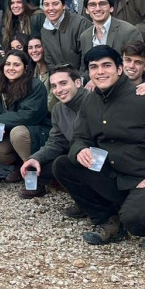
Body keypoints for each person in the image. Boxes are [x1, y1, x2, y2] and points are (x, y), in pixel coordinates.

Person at [55, 45, 145, 253]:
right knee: (64, 165)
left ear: (119, 69)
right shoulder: (90, 101)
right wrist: (80, 149)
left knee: (136, 219)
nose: (100, 72)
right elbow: (80, 137)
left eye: (106, 65)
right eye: (94, 67)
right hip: (114, 173)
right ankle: (109, 220)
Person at [0, 49, 51, 188]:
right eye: (8, 64)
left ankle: (34, 176)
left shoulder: (35, 85)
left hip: (37, 132)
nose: (11, 68)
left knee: (18, 133)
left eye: (16, 65)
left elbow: (28, 116)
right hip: (10, 132)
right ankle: (19, 166)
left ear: (25, 68)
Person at [22, 65, 89, 204]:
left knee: (62, 164)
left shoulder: (94, 102)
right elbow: (56, 141)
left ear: (78, 82)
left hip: (95, 157)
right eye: (54, 86)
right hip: (75, 155)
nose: (58, 90)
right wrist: (36, 158)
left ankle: (90, 203)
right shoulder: (58, 109)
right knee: (38, 167)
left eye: (63, 83)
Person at [78, 0, 144, 57]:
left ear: (111, 8)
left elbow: (136, 61)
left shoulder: (129, 31)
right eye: (92, 5)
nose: (98, 9)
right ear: (87, 10)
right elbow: (84, 63)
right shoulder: (85, 36)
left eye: (102, 4)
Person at [38, 0, 91, 71]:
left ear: (63, 5)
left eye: (55, 4)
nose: (50, 8)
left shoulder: (80, 23)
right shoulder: (44, 30)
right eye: (46, 5)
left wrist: (80, 77)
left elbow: (87, 56)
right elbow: (49, 61)